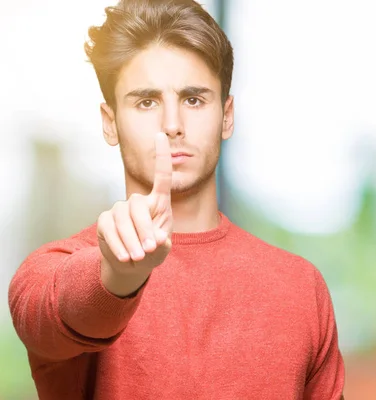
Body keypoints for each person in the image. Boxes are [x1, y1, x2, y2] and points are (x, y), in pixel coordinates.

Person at [8, 0, 345, 398]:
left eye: (194, 99)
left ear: (227, 115)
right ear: (110, 122)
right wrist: (118, 277)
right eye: (146, 102)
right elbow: (55, 315)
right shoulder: (48, 272)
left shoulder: (301, 288)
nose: (172, 125)